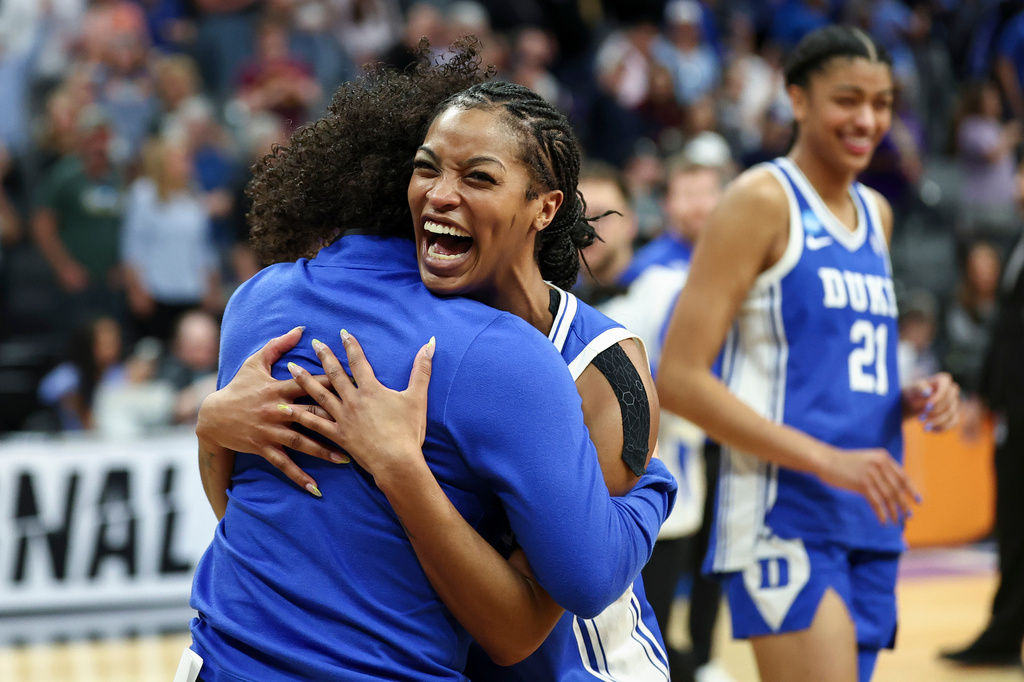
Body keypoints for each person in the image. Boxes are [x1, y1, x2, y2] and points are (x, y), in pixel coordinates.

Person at [187, 44, 676, 681]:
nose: (441, 195)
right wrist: (213, 426)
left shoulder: (598, 364)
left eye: (479, 177)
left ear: (545, 207)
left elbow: (570, 593)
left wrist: (655, 483)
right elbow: (274, 519)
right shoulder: (444, 335)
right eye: (426, 169)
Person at [654, 26, 960, 682]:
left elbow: (836, 369)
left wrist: (911, 396)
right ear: (796, 99)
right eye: (848, 99)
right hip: (784, 511)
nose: (868, 119)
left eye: (882, 103)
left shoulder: (876, 213)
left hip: (870, 509)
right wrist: (828, 460)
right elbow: (677, 378)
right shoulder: (761, 199)